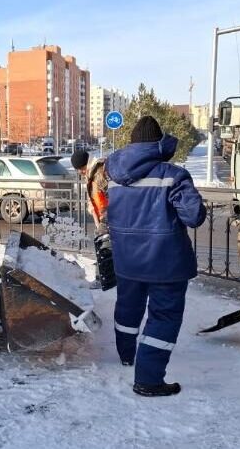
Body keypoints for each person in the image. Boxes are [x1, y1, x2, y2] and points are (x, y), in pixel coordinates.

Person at [105, 116, 206, 397]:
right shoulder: (173, 175)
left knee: (127, 310)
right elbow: (193, 216)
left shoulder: (115, 178)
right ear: (158, 144)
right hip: (166, 263)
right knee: (163, 317)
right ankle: (148, 379)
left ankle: (127, 356)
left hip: (127, 260)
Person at [70, 149, 115, 291]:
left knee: (103, 247)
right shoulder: (91, 173)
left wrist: (106, 216)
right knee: (105, 246)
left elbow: (112, 193)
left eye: (81, 169)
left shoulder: (99, 173)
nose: (80, 172)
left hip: (109, 216)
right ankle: (108, 278)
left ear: (86, 164)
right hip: (104, 216)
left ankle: (104, 280)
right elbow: (95, 195)